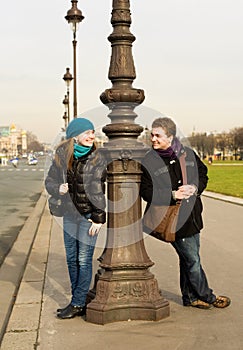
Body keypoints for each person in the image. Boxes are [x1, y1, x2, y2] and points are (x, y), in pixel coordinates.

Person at [140, 117, 231, 309]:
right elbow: (145, 191)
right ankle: (208, 296)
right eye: (152, 135)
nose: (153, 139)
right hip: (173, 218)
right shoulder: (149, 159)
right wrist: (173, 194)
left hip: (193, 216)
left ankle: (190, 297)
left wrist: (195, 188)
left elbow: (203, 173)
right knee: (192, 260)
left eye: (158, 135)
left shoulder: (188, 154)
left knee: (187, 258)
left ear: (171, 136)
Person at [45, 117, 106, 319]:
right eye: (87, 132)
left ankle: (78, 303)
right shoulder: (62, 157)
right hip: (69, 215)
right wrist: (58, 188)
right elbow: (49, 182)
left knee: (83, 259)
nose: (92, 136)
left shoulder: (97, 158)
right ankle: (77, 299)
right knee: (72, 259)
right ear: (75, 136)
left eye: (92, 132)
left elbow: (98, 191)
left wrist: (98, 218)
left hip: (88, 216)